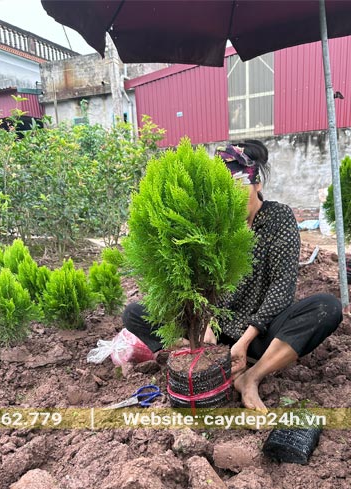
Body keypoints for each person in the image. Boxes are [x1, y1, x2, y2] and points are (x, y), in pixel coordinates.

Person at [123, 140, 342, 413]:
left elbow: (282, 288)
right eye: (226, 191)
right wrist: (206, 322)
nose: (234, 198)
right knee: (134, 313)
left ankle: (251, 376)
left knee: (326, 308)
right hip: (216, 335)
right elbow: (199, 283)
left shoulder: (278, 218)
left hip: (260, 335)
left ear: (257, 183)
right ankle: (199, 357)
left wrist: (246, 339)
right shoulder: (215, 223)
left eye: (240, 187)